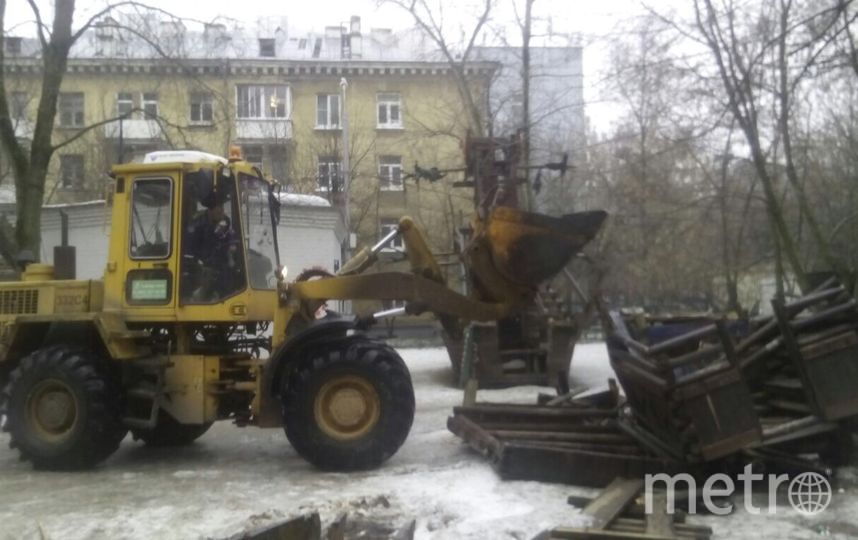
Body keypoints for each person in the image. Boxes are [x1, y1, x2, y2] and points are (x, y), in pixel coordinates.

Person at [183, 190, 240, 301]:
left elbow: (231, 237)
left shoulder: (225, 221)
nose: (222, 211)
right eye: (218, 208)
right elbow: (190, 248)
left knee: (232, 269)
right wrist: (202, 261)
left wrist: (232, 247)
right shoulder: (197, 223)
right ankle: (201, 297)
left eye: (222, 207)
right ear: (210, 209)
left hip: (220, 260)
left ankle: (224, 296)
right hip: (199, 263)